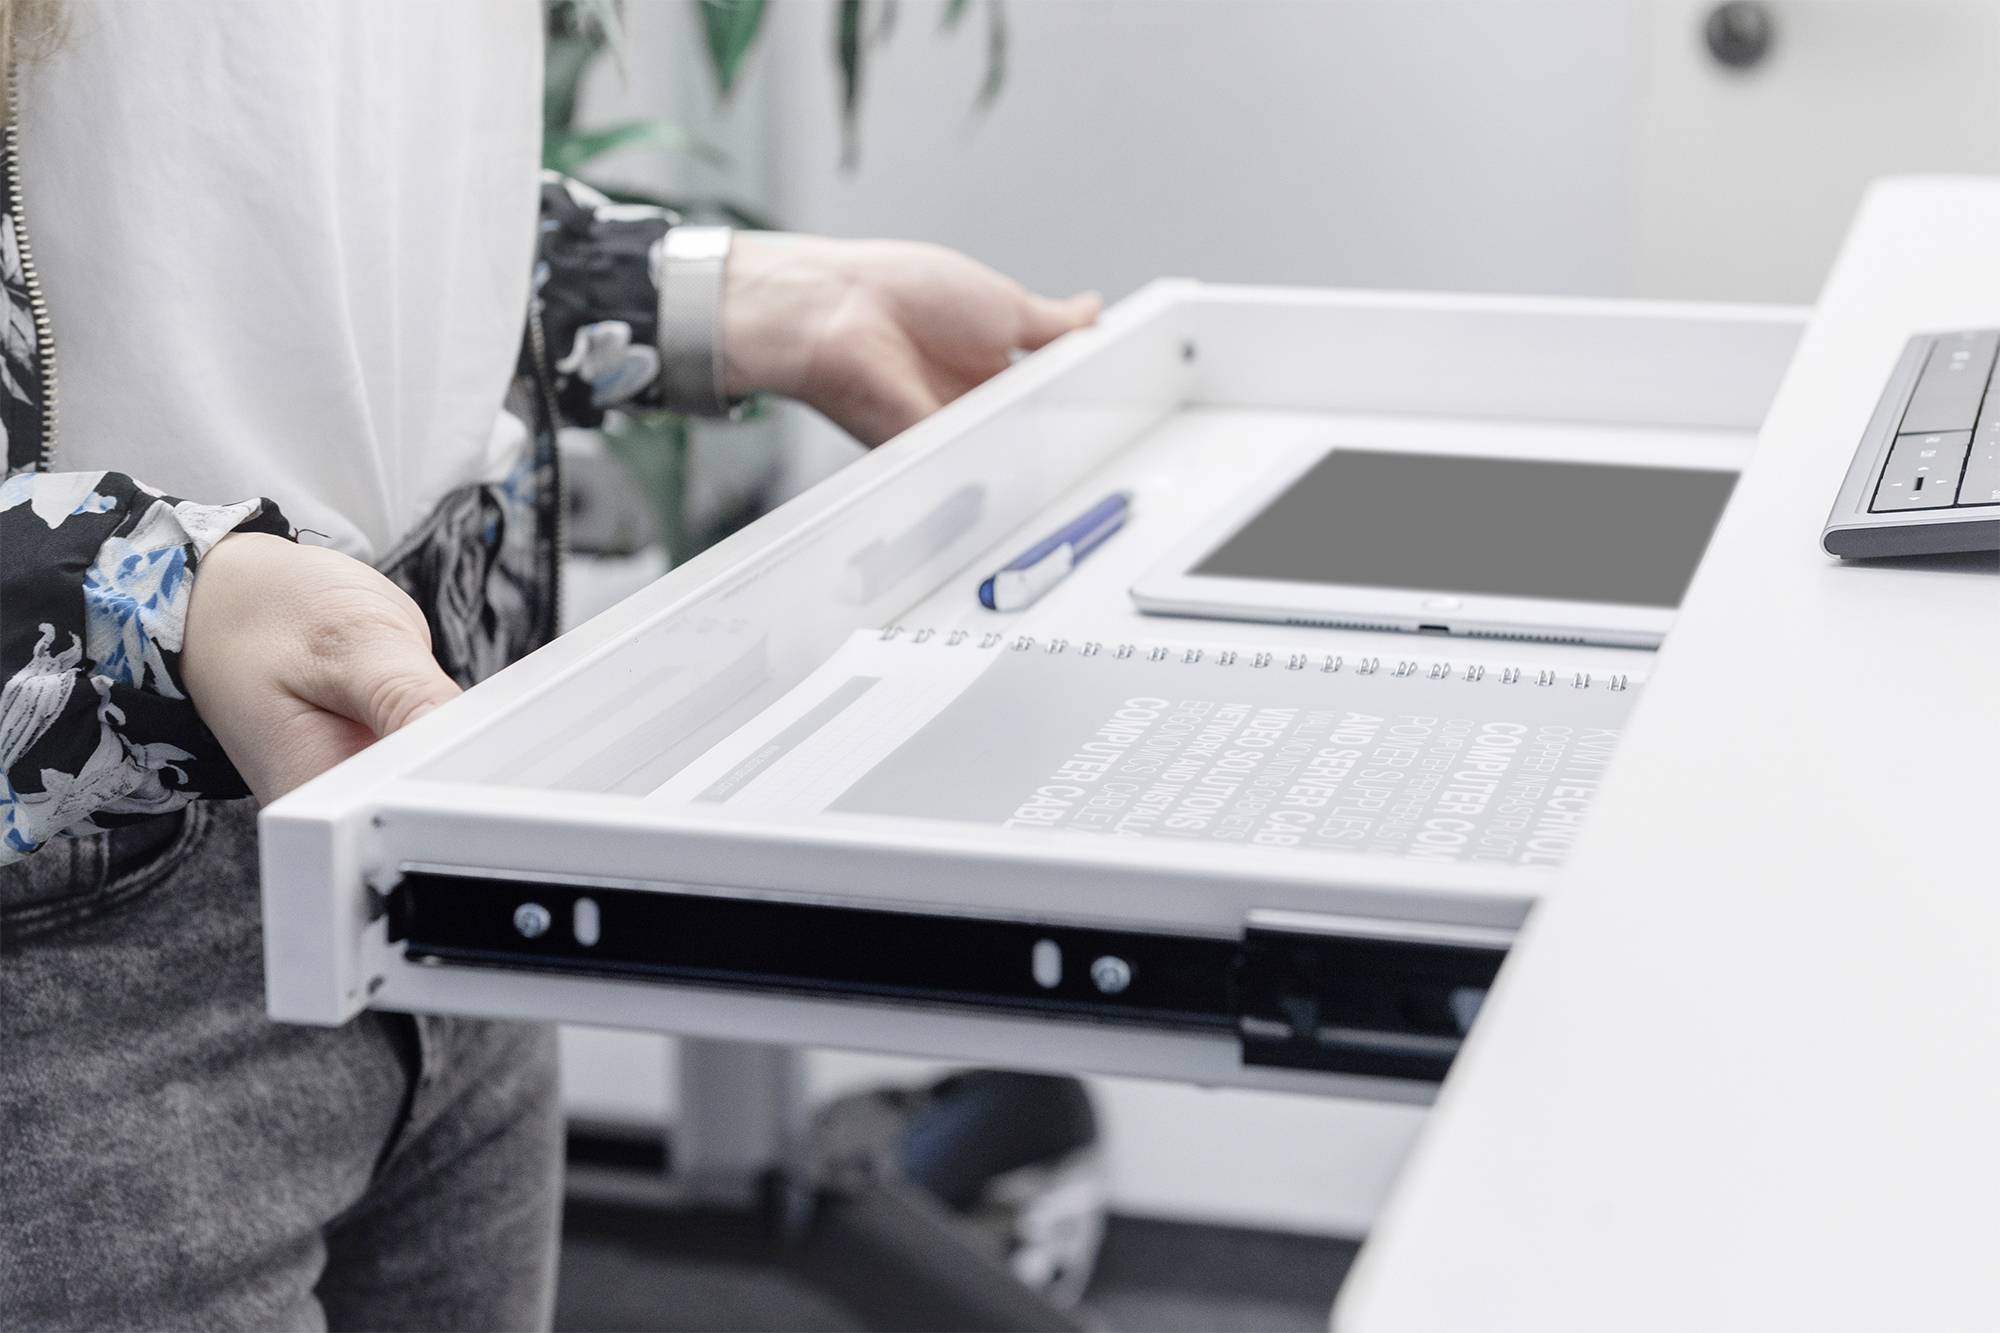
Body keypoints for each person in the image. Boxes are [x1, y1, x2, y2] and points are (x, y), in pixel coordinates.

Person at [0, 2, 1100, 1327]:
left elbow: (300, 180)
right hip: (72, 967)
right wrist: (144, 608)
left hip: (444, 795)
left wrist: (702, 299)